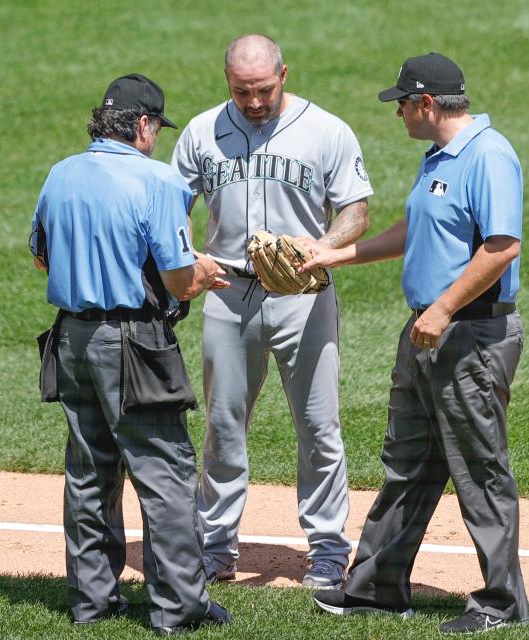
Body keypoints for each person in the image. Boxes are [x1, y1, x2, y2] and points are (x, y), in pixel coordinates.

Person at [306, 53, 529, 633]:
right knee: (406, 464)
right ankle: (378, 587)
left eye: (402, 103)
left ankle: (502, 605)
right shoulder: (437, 157)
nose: (399, 112)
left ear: (426, 103)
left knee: (480, 471)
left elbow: (503, 246)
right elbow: (413, 230)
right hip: (428, 332)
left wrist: (443, 308)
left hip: (470, 333)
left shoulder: (487, 154)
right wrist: (335, 254)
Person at [30, 73, 233, 635]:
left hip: (70, 338)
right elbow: (177, 278)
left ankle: (92, 603)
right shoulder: (157, 180)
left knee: (89, 472)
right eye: (155, 128)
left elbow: (42, 257)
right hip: (133, 343)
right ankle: (179, 608)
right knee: (165, 472)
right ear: (143, 125)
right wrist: (203, 274)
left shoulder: (61, 173)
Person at [170, 33, 373, 589]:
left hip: (303, 296)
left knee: (318, 424)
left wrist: (321, 249)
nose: (254, 101)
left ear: (285, 74)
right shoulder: (200, 132)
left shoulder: (326, 130)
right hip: (228, 293)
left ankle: (328, 547)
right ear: (227, 82)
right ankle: (216, 545)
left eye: (263, 89)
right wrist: (189, 260)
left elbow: (355, 211)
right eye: (242, 92)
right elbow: (170, 210)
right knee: (223, 424)